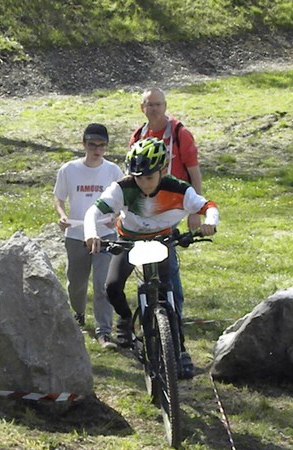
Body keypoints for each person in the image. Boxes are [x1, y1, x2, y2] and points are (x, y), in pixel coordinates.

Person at [84, 137, 219, 378]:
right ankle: (126, 320)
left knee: (171, 296)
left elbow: (208, 205)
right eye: (138, 177)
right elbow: (94, 211)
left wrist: (210, 222)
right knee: (111, 286)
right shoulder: (122, 188)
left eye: (148, 177)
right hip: (129, 240)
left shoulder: (178, 188)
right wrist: (91, 234)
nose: (143, 184)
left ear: (162, 170)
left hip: (163, 241)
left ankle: (180, 352)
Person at [129, 87, 205, 373]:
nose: (154, 109)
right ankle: (138, 328)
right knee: (137, 270)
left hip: (173, 209)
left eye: (159, 104)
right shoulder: (138, 136)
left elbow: (194, 172)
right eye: (150, 105)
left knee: (170, 276)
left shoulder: (179, 134)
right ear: (142, 107)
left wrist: (195, 211)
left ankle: (178, 345)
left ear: (165, 106)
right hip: (146, 213)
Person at [54, 123, 125, 350]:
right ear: (83, 144)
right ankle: (78, 313)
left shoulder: (113, 171)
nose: (97, 150)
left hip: (105, 234)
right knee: (77, 283)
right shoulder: (68, 170)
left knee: (103, 285)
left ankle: (104, 331)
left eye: (102, 146)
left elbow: (123, 200)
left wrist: (116, 216)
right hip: (76, 234)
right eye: (93, 145)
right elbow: (59, 198)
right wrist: (63, 216)